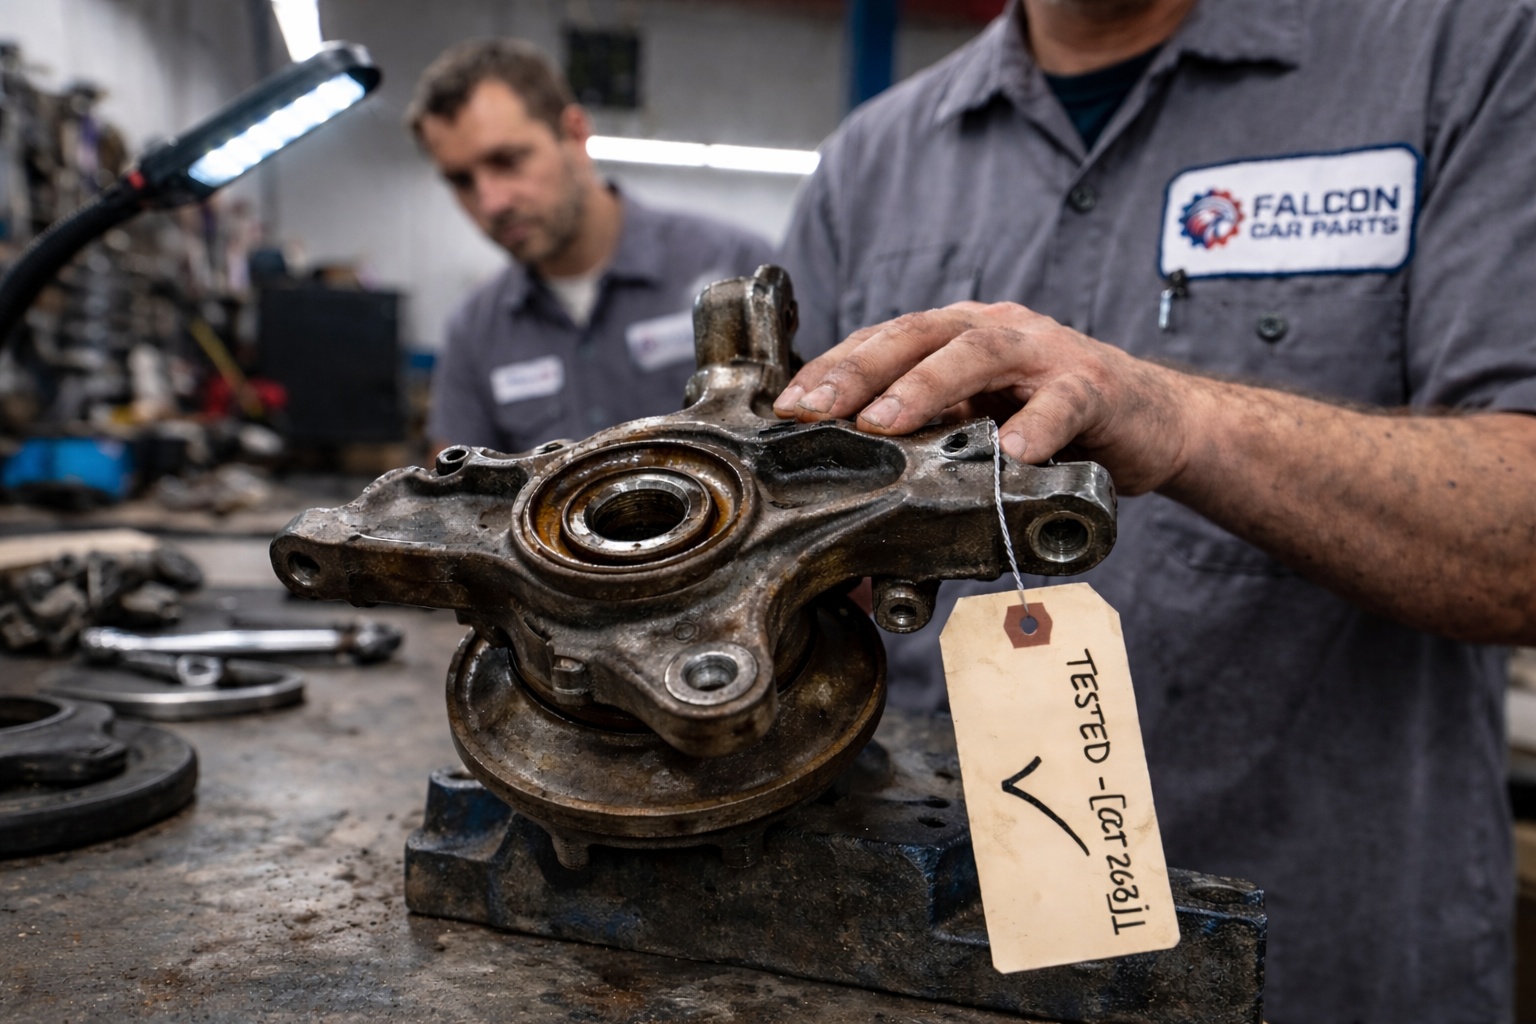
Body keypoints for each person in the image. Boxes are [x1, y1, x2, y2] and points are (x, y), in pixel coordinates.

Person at [776, 0, 1536, 1020]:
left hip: (1322, 964)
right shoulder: (875, 159)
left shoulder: (1466, 52)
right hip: (945, 961)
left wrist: (1179, 419)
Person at [408, 40, 775, 454]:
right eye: (462, 181)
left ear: (575, 133)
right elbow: (457, 484)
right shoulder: (475, 331)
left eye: (507, 161)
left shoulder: (735, 266)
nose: (491, 203)